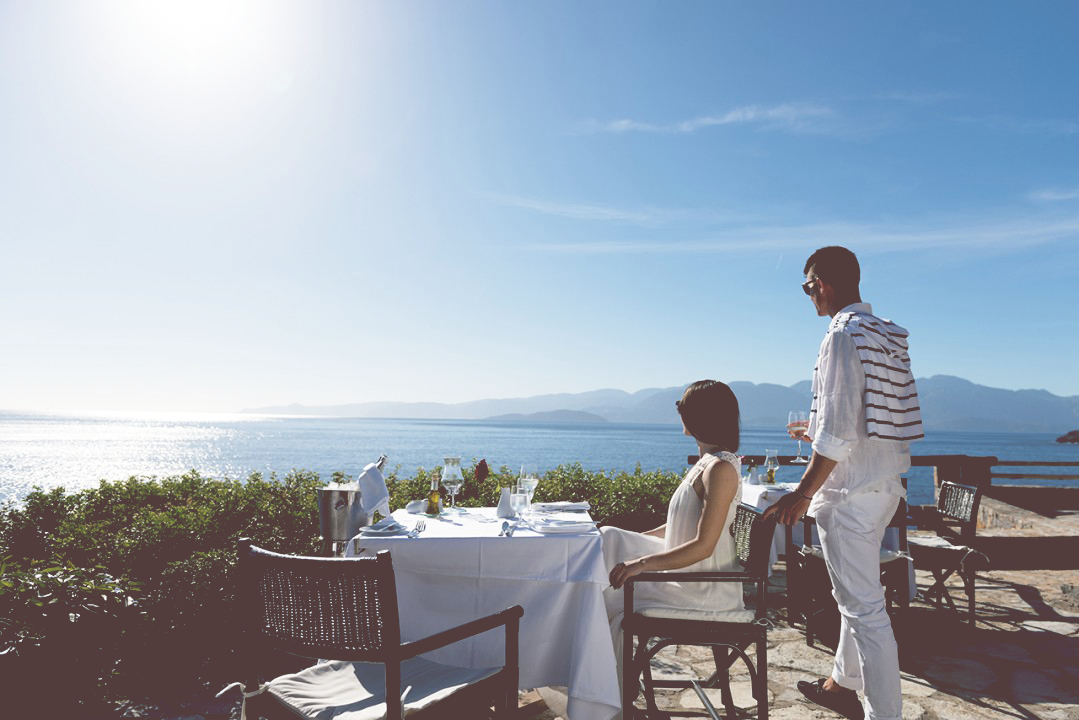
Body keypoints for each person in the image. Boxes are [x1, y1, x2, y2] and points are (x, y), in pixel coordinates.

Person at [764, 246, 923, 720]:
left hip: (850, 497)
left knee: (865, 613)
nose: (808, 295)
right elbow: (866, 419)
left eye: (808, 286)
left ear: (825, 284)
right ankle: (842, 683)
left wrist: (803, 492)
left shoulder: (840, 335)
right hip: (884, 489)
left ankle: (883, 715)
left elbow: (835, 436)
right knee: (855, 599)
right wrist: (816, 430)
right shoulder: (885, 334)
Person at [601, 379, 746, 717]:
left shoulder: (721, 469)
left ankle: (608, 697)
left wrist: (642, 564)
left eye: (683, 406)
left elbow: (704, 545)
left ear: (698, 417)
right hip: (691, 579)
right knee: (609, 538)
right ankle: (606, 689)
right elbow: (679, 527)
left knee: (606, 595)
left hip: (704, 590)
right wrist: (628, 536)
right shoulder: (707, 462)